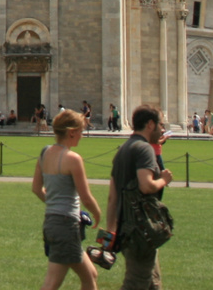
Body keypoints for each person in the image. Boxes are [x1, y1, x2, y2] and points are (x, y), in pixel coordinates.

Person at [104, 105, 175, 290]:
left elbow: (112, 197)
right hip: (140, 229)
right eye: (161, 124)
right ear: (150, 124)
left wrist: (110, 230)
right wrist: (163, 180)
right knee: (136, 284)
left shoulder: (123, 150)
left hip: (126, 228)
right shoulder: (144, 149)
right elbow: (146, 185)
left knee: (153, 283)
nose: (162, 128)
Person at [32, 109, 103, 290]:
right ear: (71, 132)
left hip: (51, 223)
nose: (82, 135)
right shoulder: (73, 159)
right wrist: (97, 213)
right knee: (73, 281)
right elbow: (86, 197)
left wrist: (54, 205)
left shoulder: (44, 153)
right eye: (80, 131)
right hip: (66, 225)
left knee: (91, 274)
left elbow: (36, 189)